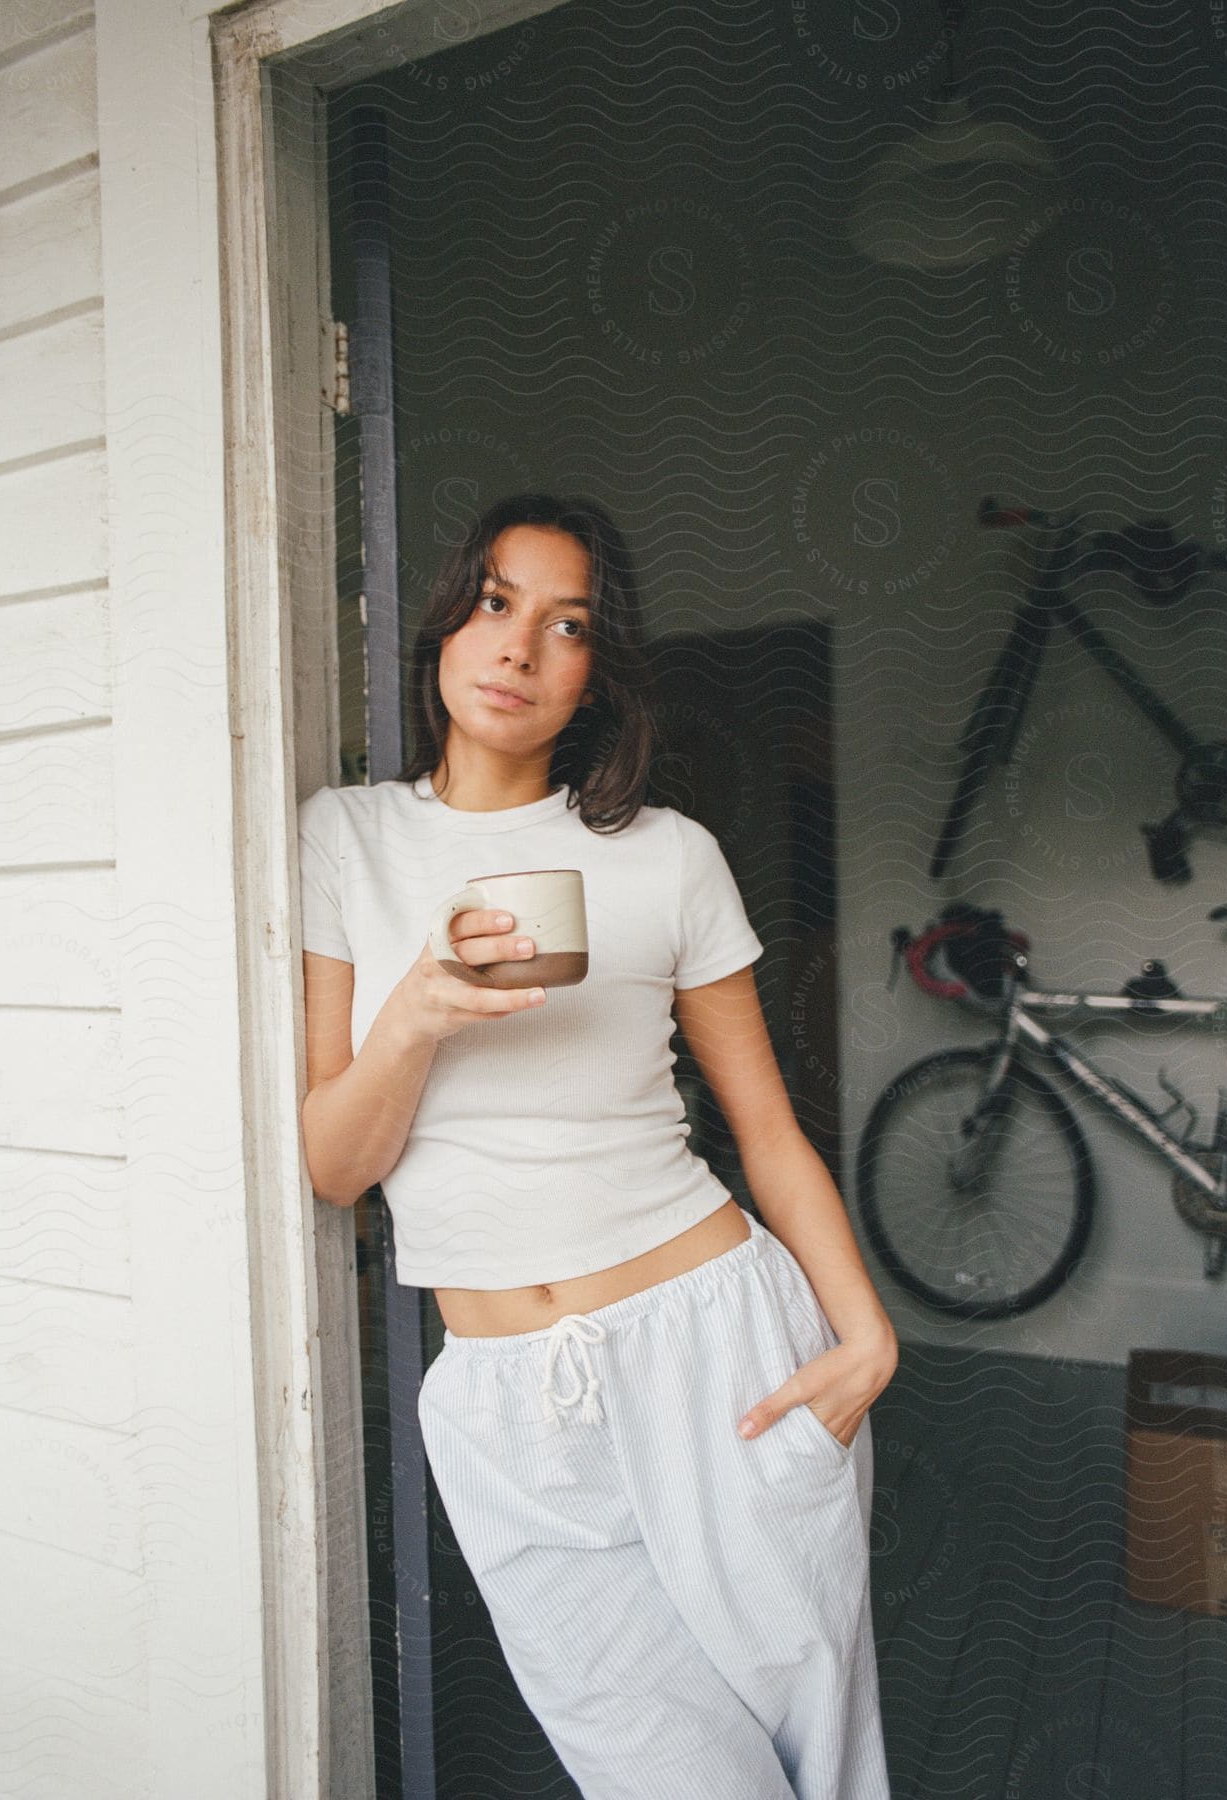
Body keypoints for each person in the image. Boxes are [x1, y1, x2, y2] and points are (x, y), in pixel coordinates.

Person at [297, 491, 897, 1800]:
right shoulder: (346, 837)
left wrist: (868, 1339)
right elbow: (337, 1167)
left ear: (594, 677)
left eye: (566, 625)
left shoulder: (669, 858)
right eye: (496, 603)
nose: (518, 648)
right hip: (506, 1395)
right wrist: (414, 1018)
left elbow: (769, 1134)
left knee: (818, 1753)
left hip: (720, 1352)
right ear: (446, 621)